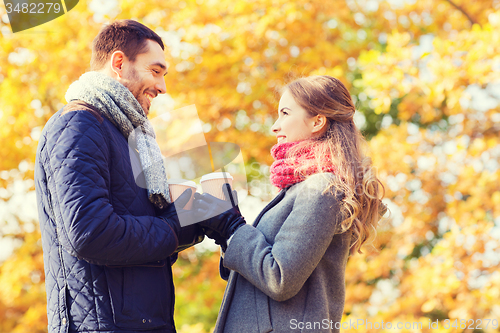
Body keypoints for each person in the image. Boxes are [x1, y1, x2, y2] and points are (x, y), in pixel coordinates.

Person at [34, 20, 203, 333]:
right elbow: (90, 232)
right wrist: (174, 231)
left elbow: (139, 228)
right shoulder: (79, 125)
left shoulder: (128, 136)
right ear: (119, 63)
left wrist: (199, 213)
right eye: (156, 71)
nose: (163, 87)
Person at [195, 75, 386, 333]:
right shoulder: (300, 188)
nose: (275, 126)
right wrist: (225, 233)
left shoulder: (322, 188)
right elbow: (258, 280)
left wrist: (233, 226)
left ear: (317, 121)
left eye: (285, 113)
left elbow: (280, 278)